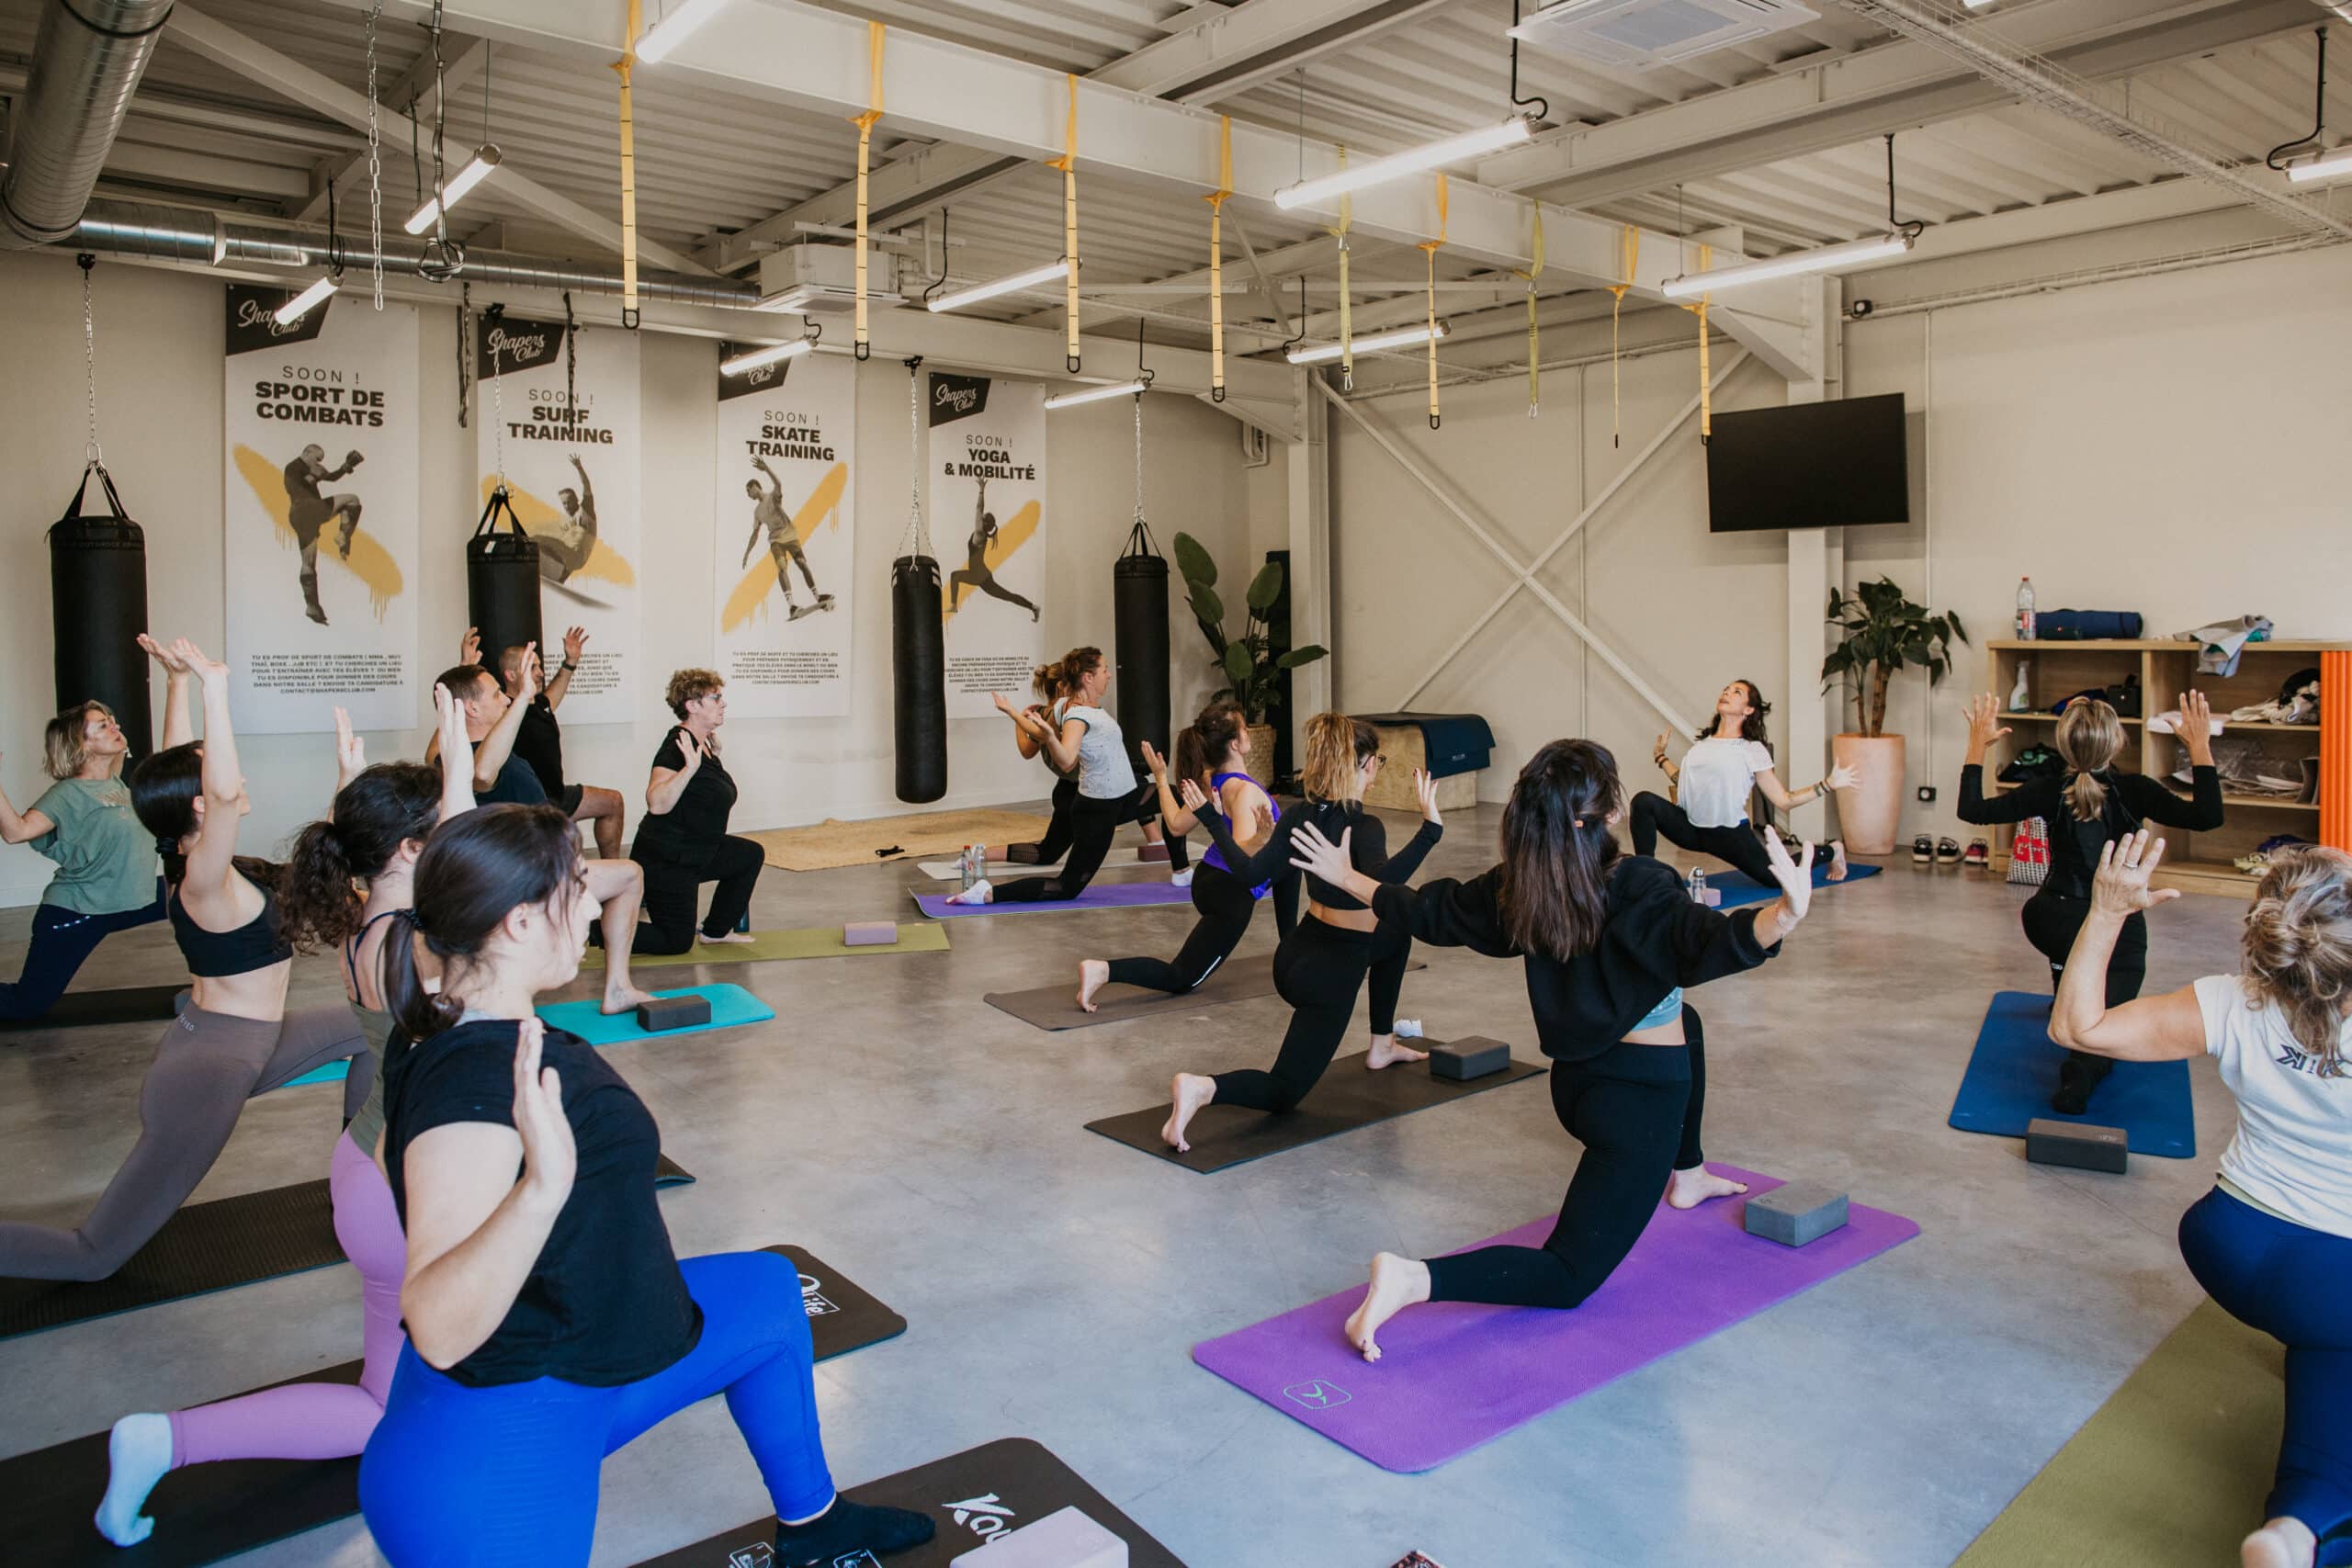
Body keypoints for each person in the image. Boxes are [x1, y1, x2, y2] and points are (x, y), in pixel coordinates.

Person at [355, 805, 934, 1567]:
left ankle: (815, 1521)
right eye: (576, 887)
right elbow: (435, 1322)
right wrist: (540, 1190)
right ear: (519, 921)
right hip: (492, 1463)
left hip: (575, 1367)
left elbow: (391, 1153)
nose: (592, 906)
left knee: (767, 1294)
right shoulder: (479, 1078)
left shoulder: (445, 1016)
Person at [93, 689, 477, 1547]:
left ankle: (161, 1441)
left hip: (367, 1170)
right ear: (410, 850)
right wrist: (455, 778)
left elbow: (402, 859)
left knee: (413, 1372)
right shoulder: (417, 943)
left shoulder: (363, 919)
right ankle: (167, 1441)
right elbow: (470, 880)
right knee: (385, 1404)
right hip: (399, 1190)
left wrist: (361, 785)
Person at [1285, 738, 1812, 1361]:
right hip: (1638, 1103)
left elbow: (1434, 911)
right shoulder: (1641, 885)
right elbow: (1703, 940)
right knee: (1567, 1275)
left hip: (1577, 1086)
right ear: (1611, 812)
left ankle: (1689, 1171)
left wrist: (1348, 877)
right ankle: (1413, 1280)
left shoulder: (1522, 886)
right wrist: (1782, 915)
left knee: (1687, 1022)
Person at [0, 638, 372, 1281]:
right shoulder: (201, 881)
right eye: (221, 777)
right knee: (93, 1256)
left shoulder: (212, 864)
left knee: (371, 1027)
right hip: (207, 1074)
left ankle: (355, 1172)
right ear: (201, 803)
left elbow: (184, 782)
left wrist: (347, 776)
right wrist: (213, 687)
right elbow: (218, 793)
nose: (239, 780)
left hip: (249, 1041)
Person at [2048, 832, 2352, 1568]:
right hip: (2328, 1273)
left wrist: (2107, 910)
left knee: (2329, 1341)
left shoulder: (2231, 999)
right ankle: (2303, 1524)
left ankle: (2290, 1536)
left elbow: (2076, 1027)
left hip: (2227, 1242)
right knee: (2333, 1325)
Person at [1160, 714, 1441, 1150]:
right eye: (1378, 761)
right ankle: (1203, 1088)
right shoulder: (1365, 826)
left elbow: (1251, 873)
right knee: (1284, 1092)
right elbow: (1385, 889)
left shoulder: (1298, 815)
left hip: (1295, 954)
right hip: (1332, 970)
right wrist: (1430, 831)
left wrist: (1212, 821)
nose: (1377, 770)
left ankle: (1382, 1043)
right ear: (1365, 764)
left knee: (1394, 937)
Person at [1958, 690, 2225, 1113]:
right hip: (2114, 927)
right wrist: (2199, 746)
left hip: (2048, 920)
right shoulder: (2136, 790)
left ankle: (2067, 984)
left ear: (2064, 745)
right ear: (2117, 742)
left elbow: (1972, 810)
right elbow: (2209, 817)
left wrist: (1977, 745)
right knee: (2102, 1028)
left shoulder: (2047, 789)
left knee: (2074, 947)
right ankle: (2078, 1076)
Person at [434, 650, 657, 1015]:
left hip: (537, 865)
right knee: (629, 875)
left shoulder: (476, 749)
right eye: (496, 694)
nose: (504, 699)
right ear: (470, 708)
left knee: (628, 873)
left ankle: (617, 987)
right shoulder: (465, 760)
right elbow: (483, 774)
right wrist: (522, 696)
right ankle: (615, 988)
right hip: (522, 879)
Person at [1077, 703, 1295, 1010]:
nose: (1249, 733)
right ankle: (1103, 970)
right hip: (1230, 894)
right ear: (1235, 744)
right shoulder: (1246, 793)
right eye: (1245, 729)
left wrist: (1160, 777)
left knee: (1290, 863)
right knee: (1181, 977)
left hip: (1207, 879)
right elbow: (1242, 859)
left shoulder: (1210, 780)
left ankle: (1292, 954)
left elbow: (1176, 826)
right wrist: (1261, 839)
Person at [948, 648, 1186, 905]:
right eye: (1104, 670)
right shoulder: (1077, 716)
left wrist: (1014, 713)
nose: (1109, 675)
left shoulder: (1064, 705)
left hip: (1123, 797)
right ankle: (986, 893)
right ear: (1088, 677)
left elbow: (1037, 733)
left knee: (1175, 796)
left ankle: (1182, 871)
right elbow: (1066, 760)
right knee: (1065, 887)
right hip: (1098, 809)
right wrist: (1051, 738)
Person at [0, 693, 165, 1021]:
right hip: (79, 909)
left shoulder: (115, 782)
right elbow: (16, 832)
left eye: (112, 721)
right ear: (81, 744)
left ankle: (216, 987)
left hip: (133, 900)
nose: (115, 726)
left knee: (197, 891)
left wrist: (178, 681)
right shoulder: (66, 794)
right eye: (103, 726)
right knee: (28, 1004)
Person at [1637, 678, 1854, 884]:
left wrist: (1827, 785)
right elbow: (1684, 782)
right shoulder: (1703, 745)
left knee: (1776, 879)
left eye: (1736, 692)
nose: (1726, 693)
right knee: (1643, 802)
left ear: (1748, 710)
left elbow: (1784, 800)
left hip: (1729, 834)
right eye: (1726, 689)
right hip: (1692, 828)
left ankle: (1832, 850)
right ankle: (1644, 876)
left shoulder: (1751, 749)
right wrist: (1660, 757)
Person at [633, 669, 763, 954]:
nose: (723, 703)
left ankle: (716, 931)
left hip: (698, 851)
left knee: (749, 855)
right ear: (692, 705)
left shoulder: (703, 746)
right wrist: (689, 769)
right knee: (675, 942)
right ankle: (590, 928)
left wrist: (713, 759)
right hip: (667, 861)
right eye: (715, 698)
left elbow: (706, 796)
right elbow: (656, 803)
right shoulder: (677, 746)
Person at [468, 626, 626, 860]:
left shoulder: (540, 704)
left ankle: (611, 865)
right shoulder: (502, 713)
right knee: (567, 848)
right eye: (532, 667)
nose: (541, 673)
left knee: (613, 802)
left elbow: (554, 694)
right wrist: (466, 668)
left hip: (556, 793)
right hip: (530, 804)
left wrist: (570, 662)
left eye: (539, 666)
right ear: (511, 675)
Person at [741, 457, 833, 622]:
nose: (748, 495)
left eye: (748, 491)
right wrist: (747, 553)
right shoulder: (757, 512)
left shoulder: (772, 497)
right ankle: (792, 606)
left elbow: (779, 483)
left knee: (802, 564)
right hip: (776, 541)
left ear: (754, 487)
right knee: (782, 567)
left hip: (790, 536)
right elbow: (755, 534)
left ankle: (818, 596)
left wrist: (766, 468)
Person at [283, 443, 364, 625]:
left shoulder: (302, 469)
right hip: (308, 508)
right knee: (353, 500)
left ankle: (312, 606)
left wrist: (346, 467)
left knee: (308, 563)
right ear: (307, 452)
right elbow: (300, 483)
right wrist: (313, 476)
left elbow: (331, 477)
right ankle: (343, 536)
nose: (319, 463)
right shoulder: (294, 467)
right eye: (317, 458)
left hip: (299, 517)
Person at [946, 476, 1038, 623]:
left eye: (982, 517)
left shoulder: (979, 533)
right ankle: (1032, 607)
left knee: (955, 576)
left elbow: (979, 508)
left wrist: (981, 490)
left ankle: (953, 606)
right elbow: (980, 510)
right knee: (1007, 595)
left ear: (984, 523)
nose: (979, 517)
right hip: (982, 574)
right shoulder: (982, 534)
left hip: (978, 575)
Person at [538, 455, 598, 584]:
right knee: (549, 543)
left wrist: (579, 467)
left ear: (576, 500)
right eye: (564, 503)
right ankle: (555, 577)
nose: (566, 506)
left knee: (538, 539)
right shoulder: (570, 524)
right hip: (572, 559)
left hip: (576, 556)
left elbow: (586, 486)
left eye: (569, 502)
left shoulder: (586, 510)